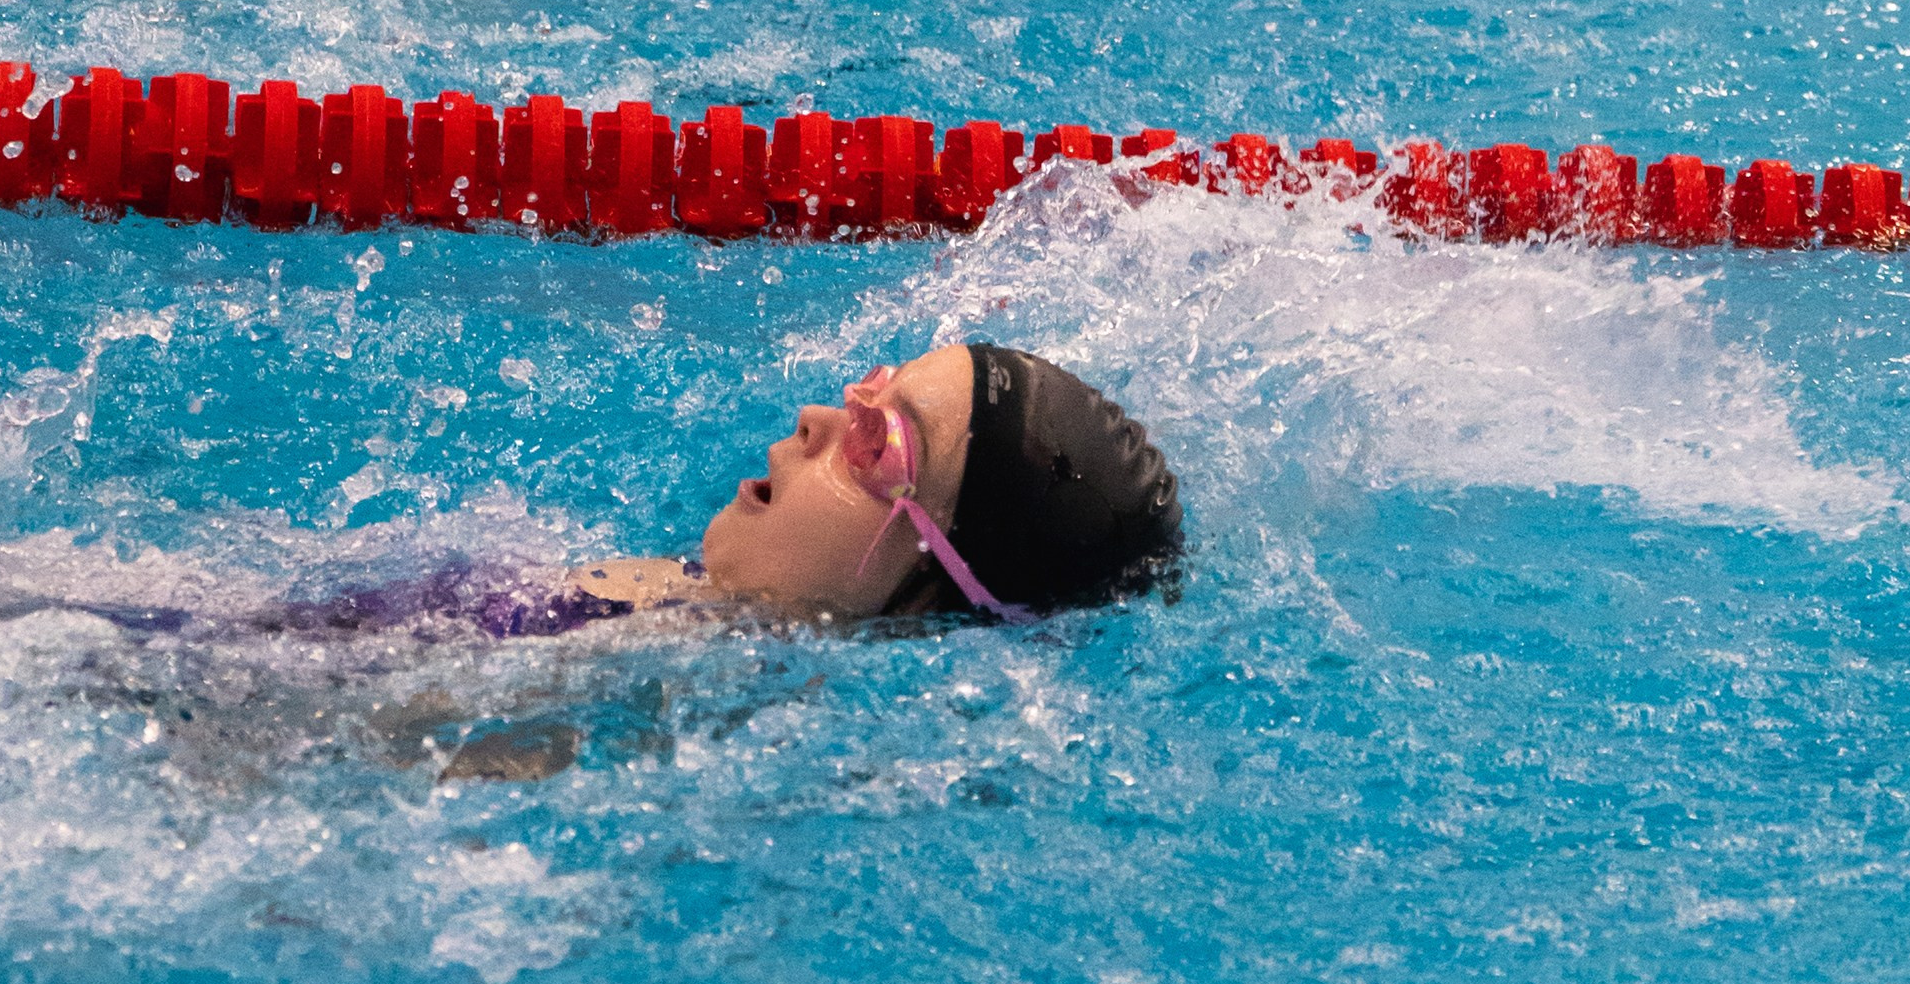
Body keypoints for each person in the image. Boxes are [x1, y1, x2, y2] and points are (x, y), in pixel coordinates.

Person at [61, 344, 1182, 648]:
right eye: (872, 387)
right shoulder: (692, 621)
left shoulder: (662, 680)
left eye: (883, 446)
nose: (821, 419)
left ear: (931, 594)